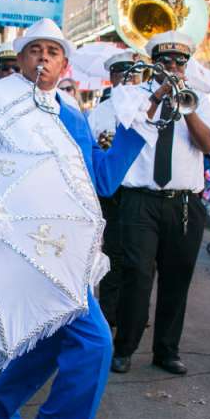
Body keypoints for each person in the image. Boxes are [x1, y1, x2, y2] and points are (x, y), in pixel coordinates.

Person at [0, 18, 145, 419]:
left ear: (64, 64)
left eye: (53, 51)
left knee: (52, 334)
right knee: (95, 343)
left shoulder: (69, 112)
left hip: (69, 244)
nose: (44, 57)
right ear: (21, 58)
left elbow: (101, 180)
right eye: (35, 49)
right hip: (23, 243)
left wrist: (139, 124)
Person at [108, 32, 210, 377]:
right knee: (136, 276)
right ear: (154, 62)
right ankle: (124, 346)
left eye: (179, 61)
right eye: (166, 60)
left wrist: (187, 108)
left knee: (177, 278)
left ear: (187, 64)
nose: (172, 66)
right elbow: (131, 125)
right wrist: (159, 94)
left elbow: (208, 144)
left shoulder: (199, 99)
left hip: (184, 203)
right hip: (140, 199)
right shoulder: (129, 94)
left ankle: (167, 350)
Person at [88, 52, 135, 329]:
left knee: (139, 259)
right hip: (113, 193)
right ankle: (109, 313)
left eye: (133, 74)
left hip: (140, 192)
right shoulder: (99, 113)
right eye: (122, 75)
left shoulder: (146, 110)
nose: (128, 80)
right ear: (113, 77)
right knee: (113, 254)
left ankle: (132, 311)